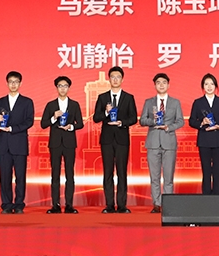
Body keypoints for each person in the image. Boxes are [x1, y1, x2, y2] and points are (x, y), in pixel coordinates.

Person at [92, 66, 138, 214]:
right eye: (113, 77)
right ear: (109, 79)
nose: (115, 80)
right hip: (107, 139)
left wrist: (122, 123)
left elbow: (133, 118)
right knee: (108, 172)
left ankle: (122, 205)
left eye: (118, 77)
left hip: (122, 139)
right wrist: (106, 112)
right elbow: (96, 118)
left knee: (122, 172)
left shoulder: (129, 97)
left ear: (122, 79)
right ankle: (109, 205)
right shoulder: (102, 97)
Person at [139, 73, 184, 213]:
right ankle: (157, 204)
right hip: (153, 142)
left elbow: (180, 121)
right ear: (155, 86)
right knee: (155, 177)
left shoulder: (175, 102)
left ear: (168, 85)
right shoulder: (149, 102)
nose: (161, 85)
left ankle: (168, 203)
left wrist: (169, 127)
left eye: (164, 82)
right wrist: (153, 121)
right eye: (158, 83)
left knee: (168, 177)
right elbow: (142, 120)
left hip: (169, 142)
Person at [40, 76, 84, 214]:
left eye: (65, 86)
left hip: (69, 143)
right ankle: (56, 205)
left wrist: (71, 127)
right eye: (60, 86)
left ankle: (69, 205)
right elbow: (43, 124)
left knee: (70, 174)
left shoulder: (74, 104)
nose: (63, 88)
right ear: (56, 88)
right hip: (55, 143)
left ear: (69, 88)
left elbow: (80, 123)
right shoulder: (51, 105)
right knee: (55, 174)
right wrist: (54, 117)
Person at [0, 71, 34, 214]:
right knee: (4, 177)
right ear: (7, 83)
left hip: (19, 143)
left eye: (16, 82)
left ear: (20, 84)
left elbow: (29, 121)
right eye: (11, 82)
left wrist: (12, 128)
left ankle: (19, 204)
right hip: (4, 144)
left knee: (20, 177)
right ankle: (6, 205)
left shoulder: (27, 102)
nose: (13, 84)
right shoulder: (0, 102)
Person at [188, 73, 219, 195]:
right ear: (203, 86)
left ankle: (217, 197)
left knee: (217, 171)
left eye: (212, 84)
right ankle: (206, 198)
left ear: (216, 86)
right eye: (206, 84)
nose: (209, 87)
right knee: (206, 171)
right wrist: (201, 123)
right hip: (204, 140)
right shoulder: (198, 102)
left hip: (218, 140)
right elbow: (191, 121)